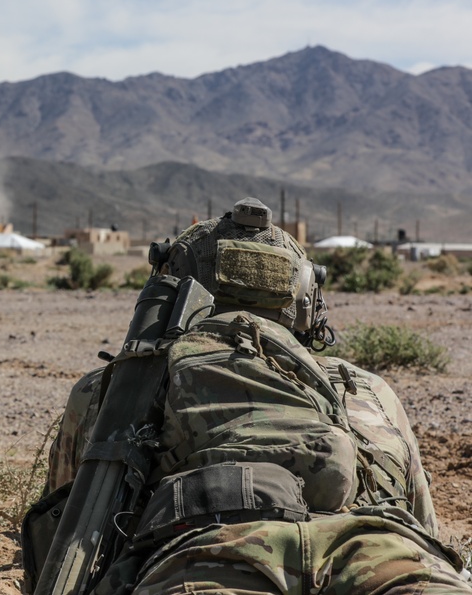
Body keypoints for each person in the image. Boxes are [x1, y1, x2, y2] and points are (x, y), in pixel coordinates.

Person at [25, 197, 471, 594]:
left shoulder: (112, 390)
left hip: (202, 563)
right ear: (303, 297)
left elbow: (68, 534)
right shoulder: (372, 392)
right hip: (381, 556)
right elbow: (421, 529)